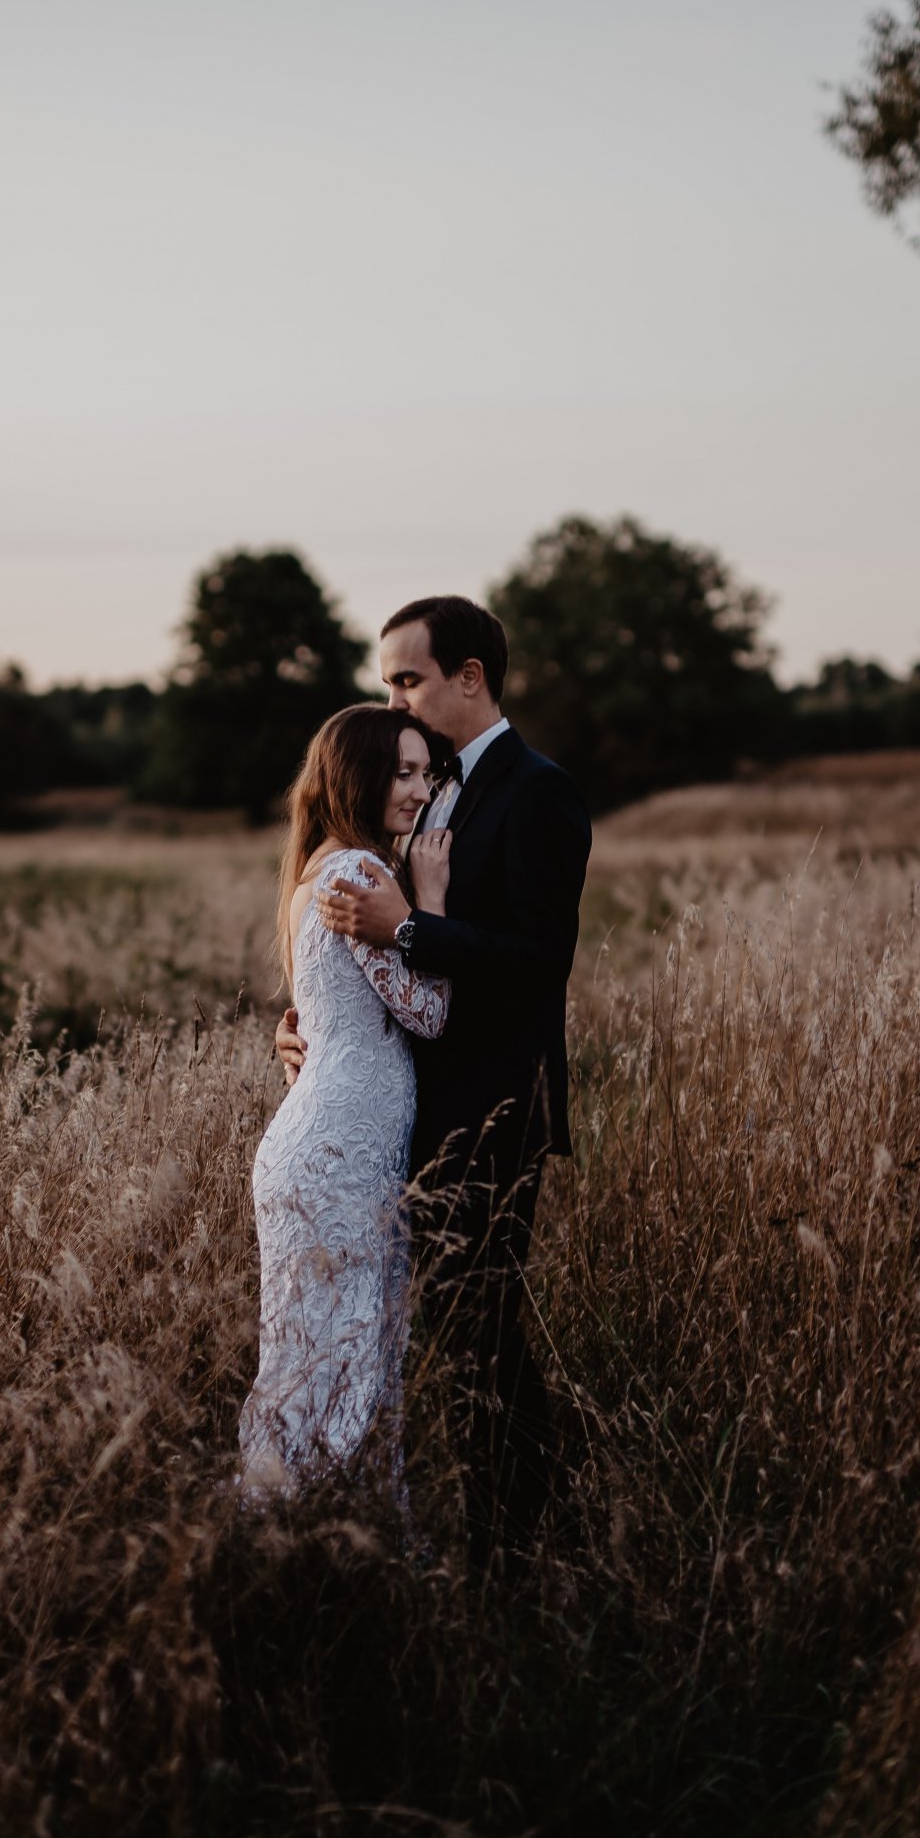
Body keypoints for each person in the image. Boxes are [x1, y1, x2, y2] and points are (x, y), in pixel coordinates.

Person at [277, 595, 593, 1560]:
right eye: (387, 687)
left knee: (481, 1336)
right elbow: (356, 960)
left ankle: (524, 1547)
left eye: (409, 680)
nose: (398, 702)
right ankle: (485, 1527)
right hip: (395, 1113)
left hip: (490, 1111)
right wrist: (308, 1030)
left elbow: (542, 958)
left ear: (471, 677)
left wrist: (410, 927)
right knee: (441, 1342)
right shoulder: (421, 788)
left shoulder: (539, 791)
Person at [239, 704, 456, 1501]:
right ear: (356, 776)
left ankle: (304, 1533)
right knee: (339, 1358)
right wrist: (427, 900)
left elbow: (329, 1024)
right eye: (401, 772)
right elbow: (428, 1015)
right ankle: (295, 1535)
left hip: (324, 1143)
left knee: (313, 1356)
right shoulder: (361, 876)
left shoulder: (320, 869)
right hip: (336, 1155)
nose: (418, 789)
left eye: (424, 771)